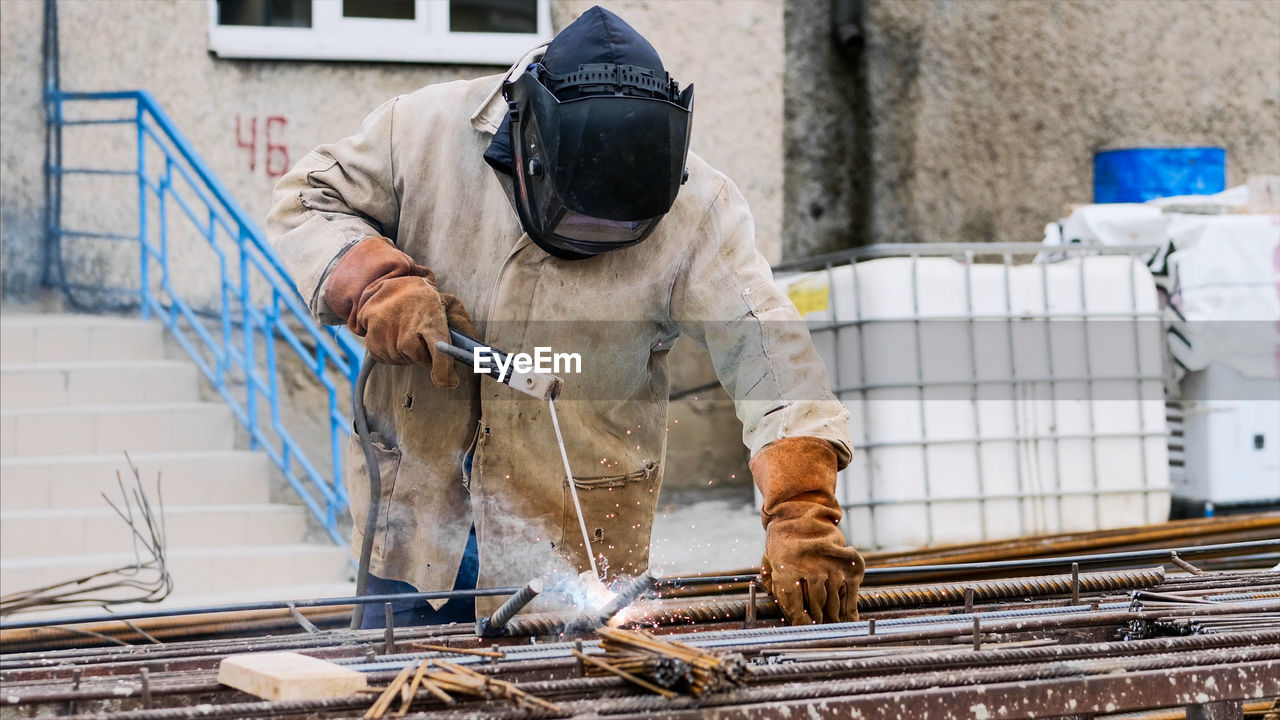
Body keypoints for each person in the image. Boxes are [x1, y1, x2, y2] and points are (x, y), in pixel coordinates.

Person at [267, 6, 863, 628]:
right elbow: (306, 200)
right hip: (417, 523)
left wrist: (802, 509)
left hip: (579, 544)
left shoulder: (699, 207)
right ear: (529, 148)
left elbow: (769, 357)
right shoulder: (423, 133)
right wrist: (377, 285)